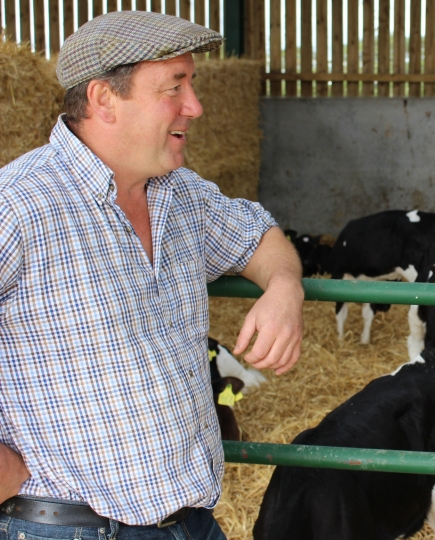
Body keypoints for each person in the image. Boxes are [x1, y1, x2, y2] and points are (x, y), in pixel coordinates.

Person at [0, 10, 304, 539]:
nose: (197, 106)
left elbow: (258, 234)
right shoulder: (20, 206)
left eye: (194, 84)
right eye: (175, 87)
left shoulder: (180, 195)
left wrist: (284, 288)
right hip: (70, 526)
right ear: (103, 100)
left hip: (193, 523)